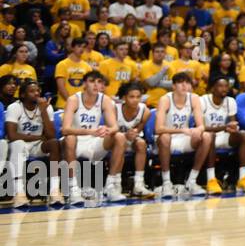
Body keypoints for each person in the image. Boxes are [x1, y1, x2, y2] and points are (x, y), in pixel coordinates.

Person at [61, 71, 125, 206]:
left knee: (119, 137)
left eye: (99, 82)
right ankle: (73, 189)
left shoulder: (105, 99)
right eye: (92, 81)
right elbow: (65, 129)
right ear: (84, 84)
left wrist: (107, 130)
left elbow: (115, 127)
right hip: (76, 142)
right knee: (70, 138)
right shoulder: (74, 99)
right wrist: (90, 131)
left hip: (94, 142)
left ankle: (111, 185)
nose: (96, 85)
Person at [154, 71, 211, 198]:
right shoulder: (165, 99)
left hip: (184, 137)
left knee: (206, 136)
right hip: (167, 139)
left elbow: (201, 125)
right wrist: (181, 130)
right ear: (173, 86)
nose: (184, 86)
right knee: (164, 137)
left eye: (187, 83)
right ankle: (166, 183)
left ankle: (191, 181)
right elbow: (158, 129)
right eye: (180, 83)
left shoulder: (194, 98)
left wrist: (198, 130)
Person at [4, 80, 58, 209]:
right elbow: (12, 135)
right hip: (18, 146)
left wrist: (44, 111)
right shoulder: (14, 107)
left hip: (37, 146)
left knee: (54, 144)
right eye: (32, 91)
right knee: (18, 144)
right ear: (22, 95)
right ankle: (19, 192)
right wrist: (38, 136)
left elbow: (51, 136)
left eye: (38, 91)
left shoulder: (46, 107)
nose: (37, 93)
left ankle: (55, 190)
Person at [199, 75, 245, 194]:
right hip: (205, 138)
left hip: (223, 136)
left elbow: (232, 123)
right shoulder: (203, 100)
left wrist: (233, 128)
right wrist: (224, 127)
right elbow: (202, 127)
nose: (224, 89)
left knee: (244, 134)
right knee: (211, 135)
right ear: (212, 89)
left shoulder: (230, 101)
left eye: (226, 86)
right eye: (220, 86)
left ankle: (243, 178)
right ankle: (211, 180)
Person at [114, 82, 155, 199]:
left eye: (138, 97)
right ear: (124, 98)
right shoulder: (114, 109)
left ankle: (139, 184)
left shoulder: (145, 111)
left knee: (141, 144)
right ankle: (116, 184)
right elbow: (110, 131)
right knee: (120, 142)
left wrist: (133, 134)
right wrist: (124, 135)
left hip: (130, 140)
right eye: (132, 97)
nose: (135, 100)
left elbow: (137, 131)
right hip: (115, 140)